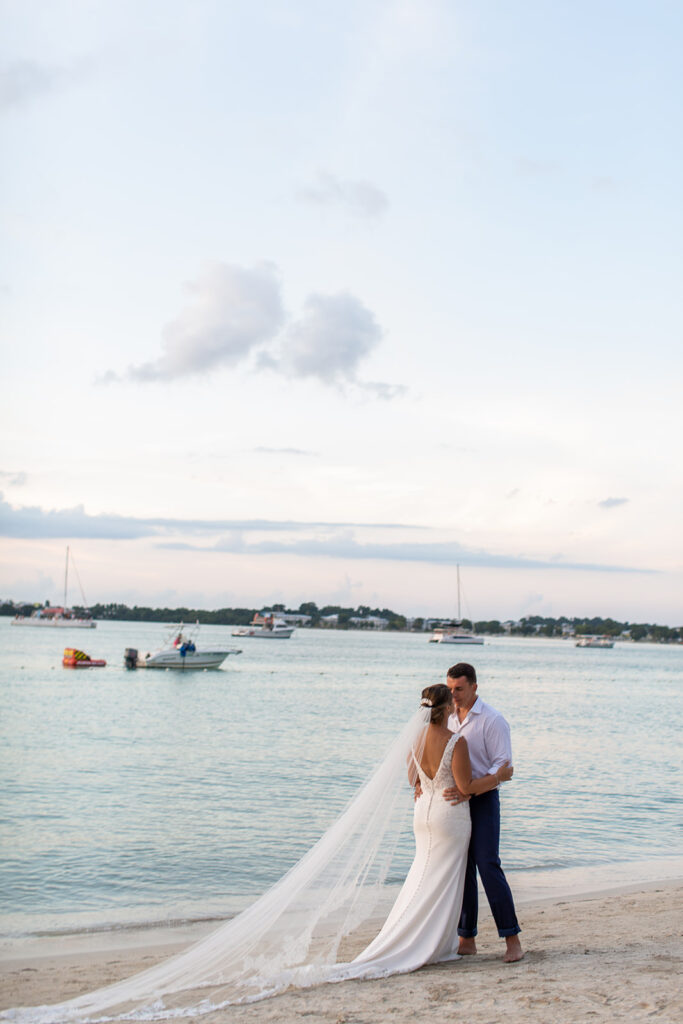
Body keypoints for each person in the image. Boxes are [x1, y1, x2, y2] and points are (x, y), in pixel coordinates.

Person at [3, 686, 513, 1022]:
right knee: (440, 881)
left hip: (422, 814)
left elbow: (411, 781)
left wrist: (430, 787)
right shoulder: (454, 740)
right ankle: (427, 945)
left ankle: (423, 941)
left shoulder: (416, 740)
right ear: (449, 709)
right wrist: (493, 780)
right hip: (449, 818)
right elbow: (464, 785)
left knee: (421, 878)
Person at [443, 663, 523, 963]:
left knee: (488, 866)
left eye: (459, 689)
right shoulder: (446, 716)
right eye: (450, 689)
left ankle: (512, 939)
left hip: (484, 799)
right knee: (462, 869)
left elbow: (502, 766)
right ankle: (467, 938)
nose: (454, 695)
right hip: (454, 802)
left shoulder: (493, 720)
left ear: (474, 687)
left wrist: (471, 788)